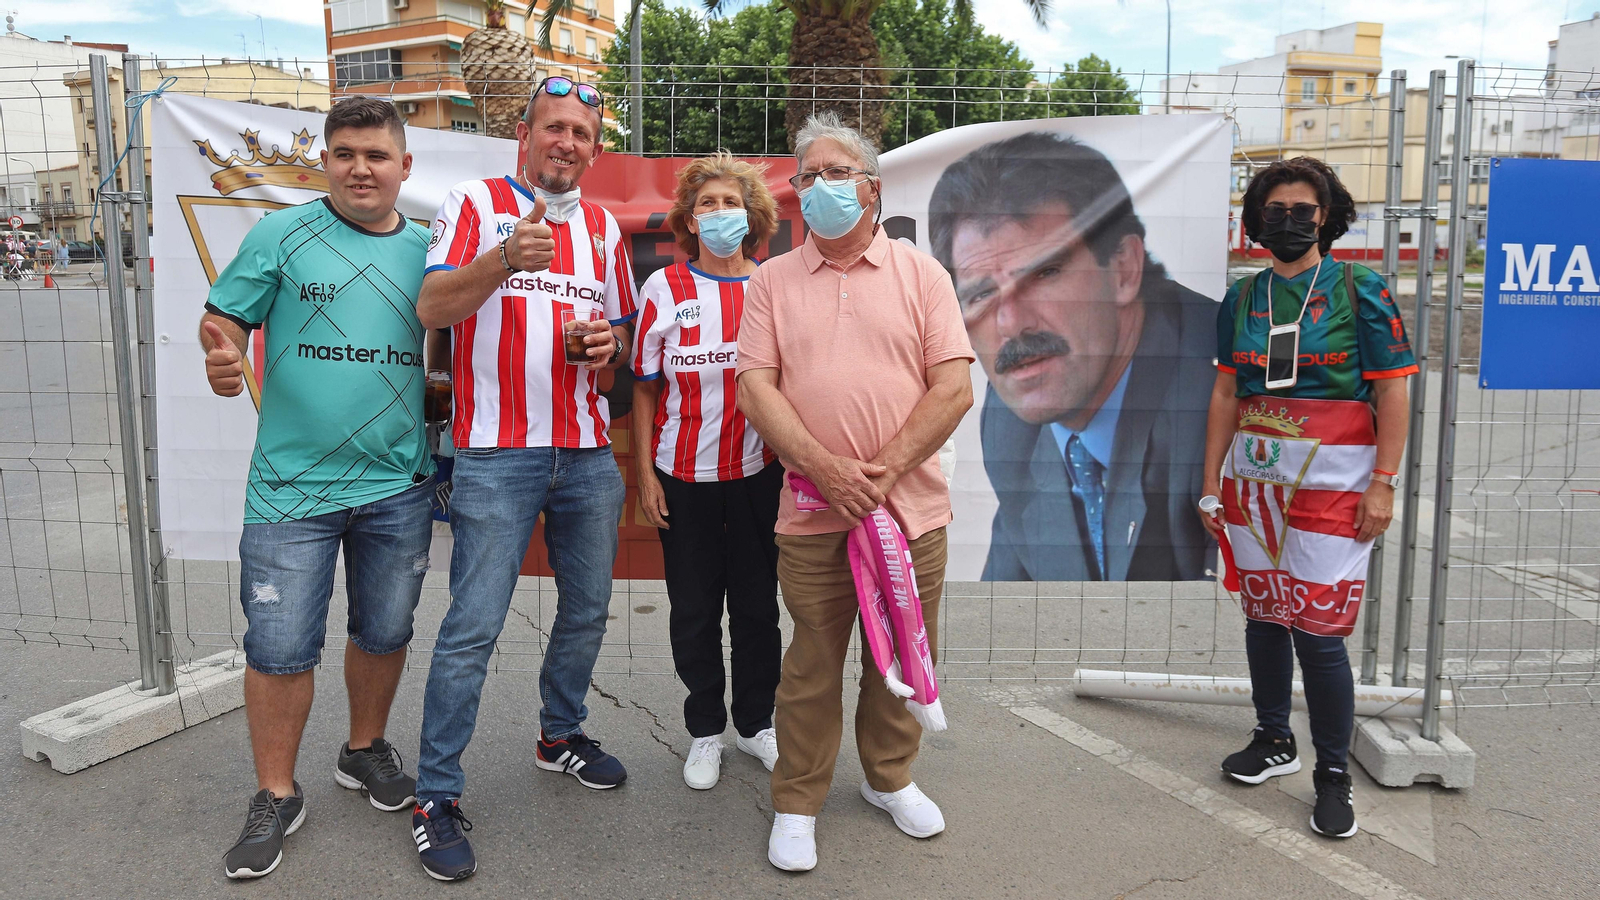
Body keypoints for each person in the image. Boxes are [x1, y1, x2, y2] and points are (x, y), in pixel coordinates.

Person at [199, 97, 434, 880]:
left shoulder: (433, 252)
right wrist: (223, 355)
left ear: (406, 166)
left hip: (398, 486)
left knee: (385, 630)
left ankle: (362, 751)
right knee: (278, 646)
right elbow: (223, 320)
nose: (360, 168)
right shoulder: (280, 235)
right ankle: (275, 792)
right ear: (325, 162)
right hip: (290, 490)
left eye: (376, 155)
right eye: (344, 154)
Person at [410, 76, 636, 882]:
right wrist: (505, 258)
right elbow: (433, 307)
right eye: (554, 128)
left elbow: (620, 329)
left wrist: (609, 343)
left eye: (581, 133)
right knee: (472, 625)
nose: (566, 143)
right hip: (495, 454)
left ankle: (559, 734)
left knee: (587, 610)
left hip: (584, 454)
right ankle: (435, 796)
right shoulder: (472, 202)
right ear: (524, 131)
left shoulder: (605, 228)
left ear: (594, 149)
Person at [737, 111, 976, 873]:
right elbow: (755, 390)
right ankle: (798, 801)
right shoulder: (772, 280)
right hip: (812, 510)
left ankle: (889, 778)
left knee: (902, 651)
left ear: (870, 188)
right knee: (810, 661)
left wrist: (881, 472)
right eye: (806, 176)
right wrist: (826, 469)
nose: (818, 187)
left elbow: (953, 387)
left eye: (835, 173)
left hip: (910, 510)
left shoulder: (921, 274)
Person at [1199, 156, 1415, 840]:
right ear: (1256, 221)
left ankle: (1332, 773)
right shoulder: (1244, 296)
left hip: (1338, 483)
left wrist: (1384, 483)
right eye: (1274, 211)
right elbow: (1226, 395)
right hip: (1256, 481)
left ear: (1327, 217)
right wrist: (1211, 487)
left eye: (1302, 210)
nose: (1287, 221)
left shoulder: (1362, 288)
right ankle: (1273, 739)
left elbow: (1393, 390)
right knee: (1264, 617)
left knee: (1318, 636)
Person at [928, 131, 1216, 582]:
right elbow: (1009, 605)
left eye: (1044, 274)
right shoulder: (1010, 426)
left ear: (1123, 270)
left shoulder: (1214, 399)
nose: (1010, 324)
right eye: (981, 295)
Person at [631, 153, 784, 792]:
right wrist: (644, 473)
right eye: (707, 205)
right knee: (693, 609)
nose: (720, 214)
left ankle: (756, 723)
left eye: (731, 203)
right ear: (688, 221)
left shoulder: (774, 286)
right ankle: (704, 731)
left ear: (753, 215)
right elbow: (642, 387)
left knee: (757, 607)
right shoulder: (664, 288)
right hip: (683, 476)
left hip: (759, 475)